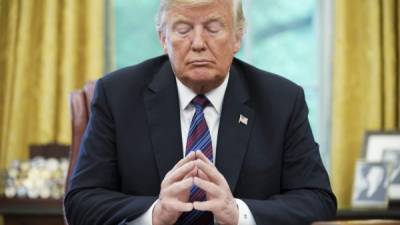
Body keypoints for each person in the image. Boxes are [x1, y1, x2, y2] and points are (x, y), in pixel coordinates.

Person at [64, 0, 337, 224]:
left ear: (237, 36)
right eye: (183, 29)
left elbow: (318, 201)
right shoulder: (117, 95)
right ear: (163, 38)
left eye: (213, 28)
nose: (198, 43)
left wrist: (238, 213)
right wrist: (155, 214)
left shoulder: (281, 101)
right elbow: (81, 202)